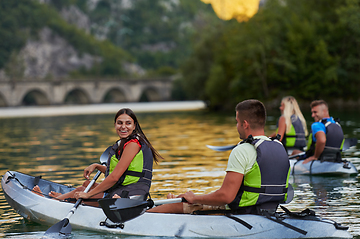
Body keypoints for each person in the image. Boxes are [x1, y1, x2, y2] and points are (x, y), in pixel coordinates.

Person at [149, 99, 291, 214]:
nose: (237, 126)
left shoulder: (243, 150)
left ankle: (145, 215)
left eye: (237, 121)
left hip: (244, 211)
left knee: (181, 204)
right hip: (270, 210)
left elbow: (226, 197)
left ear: (245, 124)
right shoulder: (279, 147)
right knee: (191, 198)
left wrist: (193, 198)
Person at [33, 108, 162, 205]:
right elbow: (123, 173)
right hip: (125, 190)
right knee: (86, 184)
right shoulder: (124, 144)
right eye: (119, 123)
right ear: (115, 125)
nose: (123, 127)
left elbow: (115, 177)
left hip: (129, 197)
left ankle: (53, 202)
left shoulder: (133, 144)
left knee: (82, 191)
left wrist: (88, 195)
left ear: (134, 126)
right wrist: (96, 166)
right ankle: (59, 198)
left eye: (128, 123)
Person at [295, 100, 344, 164]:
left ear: (324, 111)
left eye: (315, 112)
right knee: (295, 152)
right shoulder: (336, 124)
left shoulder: (317, 125)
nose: (312, 115)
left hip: (319, 158)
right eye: (312, 112)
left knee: (295, 152)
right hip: (335, 158)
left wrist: (315, 157)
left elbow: (322, 140)